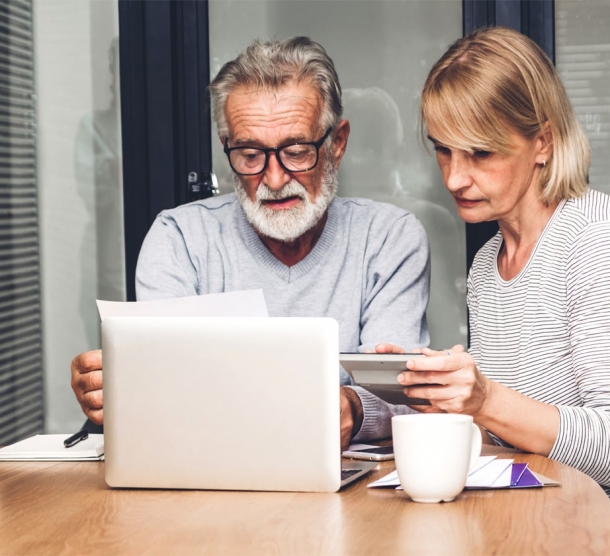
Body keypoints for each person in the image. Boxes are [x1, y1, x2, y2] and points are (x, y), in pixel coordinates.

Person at [71, 37, 430, 449]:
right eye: (249, 155)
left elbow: (405, 393)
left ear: (337, 143)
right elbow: (162, 392)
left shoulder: (389, 238)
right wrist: (115, 389)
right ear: (227, 149)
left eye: (296, 151)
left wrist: (353, 406)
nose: (274, 180)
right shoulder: (179, 240)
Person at [384, 26, 610, 495]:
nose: (454, 178)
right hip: (527, 524)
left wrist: (485, 399)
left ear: (543, 142)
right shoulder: (489, 263)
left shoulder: (594, 239)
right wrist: (439, 395)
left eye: (480, 153)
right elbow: (510, 442)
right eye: (442, 150)